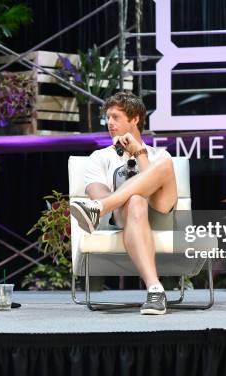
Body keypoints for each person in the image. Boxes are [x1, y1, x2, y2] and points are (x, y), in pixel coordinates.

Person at [70, 92, 178, 315]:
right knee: (136, 201)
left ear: (135, 119)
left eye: (115, 117)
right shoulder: (99, 157)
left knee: (165, 165)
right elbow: (97, 193)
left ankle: (97, 211)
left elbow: (159, 194)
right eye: (107, 117)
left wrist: (139, 152)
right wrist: (110, 202)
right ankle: (155, 290)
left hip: (159, 211)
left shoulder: (158, 155)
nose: (109, 123)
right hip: (122, 216)